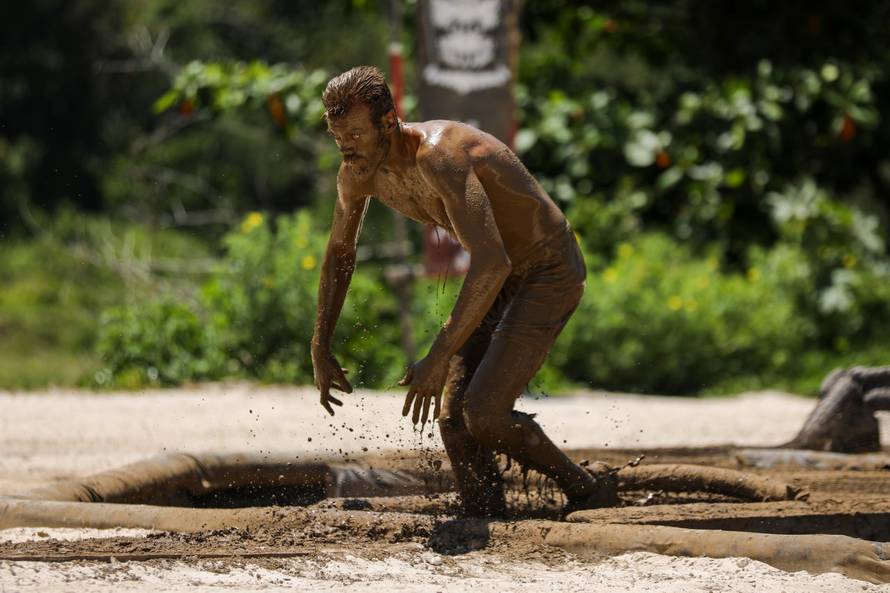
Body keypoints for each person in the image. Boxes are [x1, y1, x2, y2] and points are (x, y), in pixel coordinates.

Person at [310, 65, 615, 516]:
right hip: (499, 273)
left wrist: (436, 358)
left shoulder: (440, 156)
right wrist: (320, 342)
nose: (346, 148)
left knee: (485, 413)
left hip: (546, 269)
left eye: (355, 134)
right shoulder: (357, 173)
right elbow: (340, 255)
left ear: (388, 123)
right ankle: (484, 513)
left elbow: (493, 260)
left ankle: (588, 491)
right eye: (338, 137)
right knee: (454, 421)